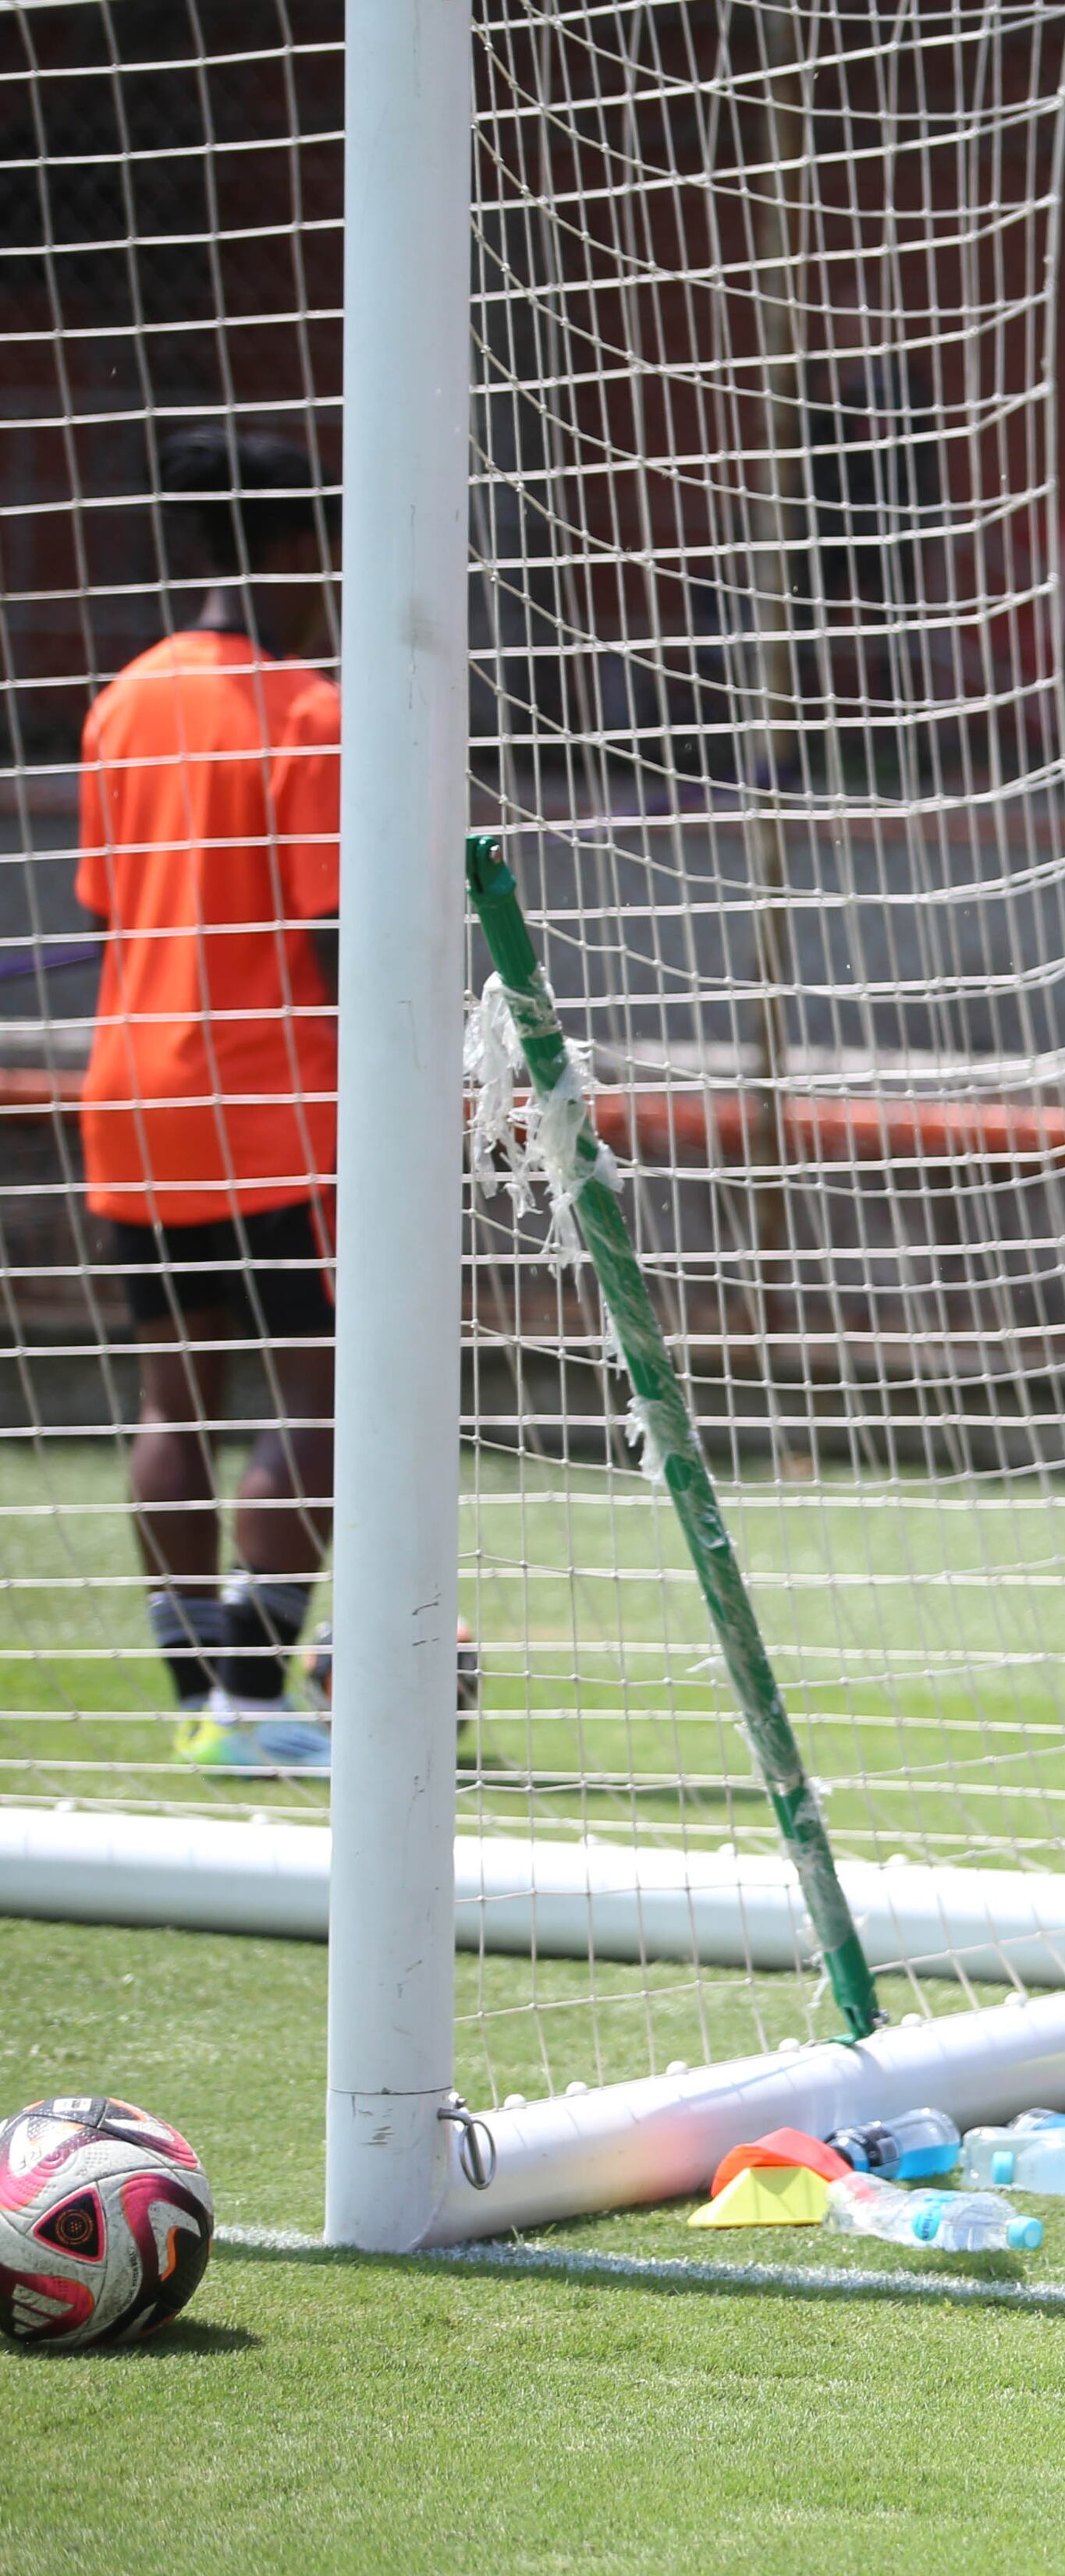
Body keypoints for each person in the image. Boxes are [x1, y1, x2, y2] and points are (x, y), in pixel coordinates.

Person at [80, 425, 343, 1773]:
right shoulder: (306, 710)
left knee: (175, 1396)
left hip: (130, 1092)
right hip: (269, 1104)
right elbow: (337, 933)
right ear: (301, 550)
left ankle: (202, 1700)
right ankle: (254, 1688)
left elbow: (110, 905)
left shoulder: (122, 699)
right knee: (326, 1392)